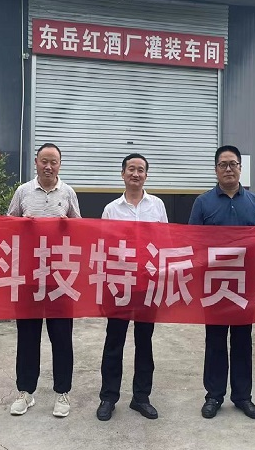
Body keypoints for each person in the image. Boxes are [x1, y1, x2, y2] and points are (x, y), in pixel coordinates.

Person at [189, 145, 255, 420]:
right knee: (215, 341)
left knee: (242, 340)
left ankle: (242, 397)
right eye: (223, 164)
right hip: (214, 284)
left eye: (233, 164)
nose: (228, 169)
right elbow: (193, 242)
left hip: (245, 284)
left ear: (240, 168)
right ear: (216, 170)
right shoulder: (203, 203)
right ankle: (213, 396)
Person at [7, 143, 81, 418]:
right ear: (36, 162)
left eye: (54, 162)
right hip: (29, 275)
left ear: (60, 165)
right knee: (27, 336)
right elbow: (6, 225)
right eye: (44, 161)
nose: (48, 167)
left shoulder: (68, 192)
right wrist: (21, 224)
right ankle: (26, 392)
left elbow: (81, 229)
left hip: (61, 277)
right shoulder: (23, 191)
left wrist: (67, 225)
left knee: (61, 337)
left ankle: (62, 392)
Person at [96, 154, 168, 422]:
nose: (135, 174)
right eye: (131, 169)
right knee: (114, 341)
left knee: (144, 342)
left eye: (140, 170)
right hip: (119, 284)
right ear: (122, 174)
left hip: (148, 284)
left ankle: (141, 397)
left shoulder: (157, 206)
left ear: (146, 175)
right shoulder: (111, 209)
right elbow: (103, 247)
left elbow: (165, 241)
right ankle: (108, 397)